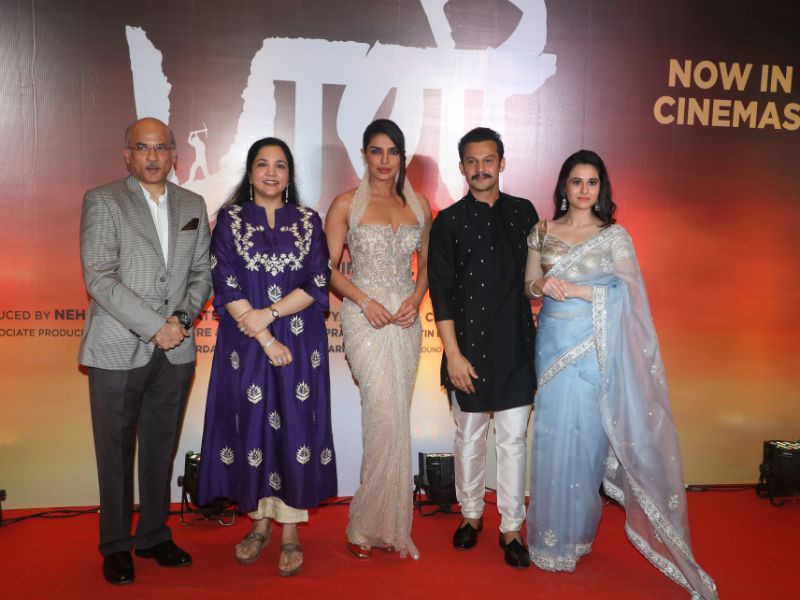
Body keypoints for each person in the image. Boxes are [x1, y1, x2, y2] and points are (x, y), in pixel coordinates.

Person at [524, 150, 717, 598]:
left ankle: (576, 536)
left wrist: (578, 289)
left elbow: (630, 298)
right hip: (551, 345)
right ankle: (550, 540)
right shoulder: (542, 231)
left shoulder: (613, 237)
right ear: (564, 186)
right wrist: (542, 285)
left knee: (586, 441)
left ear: (601, 188)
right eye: (576, 181)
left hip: (594, 349)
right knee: (552, 436)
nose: (584, 190)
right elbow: (528, 284)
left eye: (592, 182)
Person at [79, 117, 212, 585]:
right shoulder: (103, 200)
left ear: (175, 153)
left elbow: (202, 274)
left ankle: (154, 535)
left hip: (176, 352)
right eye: (143, 148)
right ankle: (116, 545)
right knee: (114, 453)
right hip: (118, 347)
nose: (153, 157)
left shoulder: (193, 204)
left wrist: (181, 321)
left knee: (161, 446)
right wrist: (156, 326)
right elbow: (99, 277)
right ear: (127, 154)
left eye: (161, 148)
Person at [198, 137, 336, 577]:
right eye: (263, 164)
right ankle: (258, 525)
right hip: (245, 345)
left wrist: (270, 315)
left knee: (295, 427)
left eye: (280, 165)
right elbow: (225, 282)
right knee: (251, 425)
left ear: (289, 175)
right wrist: (264, 336)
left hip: (299, 340)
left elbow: (317, 281)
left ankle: (291, 531)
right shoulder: (230, 219)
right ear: (250, 172)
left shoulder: (309, 221)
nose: (271, 173)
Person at [427, 127, 538, 568]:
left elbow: (536, 277)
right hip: (467, 350)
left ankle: (511, 527)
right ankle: (471, 516)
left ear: (502, 163)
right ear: (461, 168)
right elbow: (440, 292)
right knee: (469, 438)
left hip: (516, 348)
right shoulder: (448, 221)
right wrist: (453, 355)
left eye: (488, 160)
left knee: (513, 442)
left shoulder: (525, 213)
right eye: (471, 161)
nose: (480, 168)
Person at [326, 119, 432, 560]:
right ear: (364, 155)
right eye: (376, 151)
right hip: (363, 318)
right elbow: (327, 269)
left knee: (396, 417)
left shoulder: (419, 205)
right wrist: (364, 300)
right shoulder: (345, 205)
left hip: (405, 320)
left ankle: (387, 524)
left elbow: (427, 265)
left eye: (393, 152)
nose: (385, 160)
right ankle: (365, 524)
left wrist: (416, 298)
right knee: (382, 414)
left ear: (402, 156)